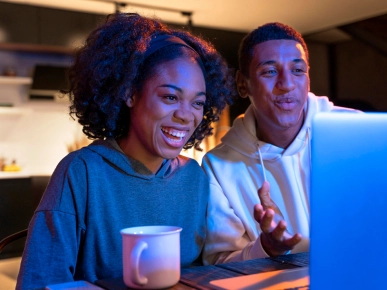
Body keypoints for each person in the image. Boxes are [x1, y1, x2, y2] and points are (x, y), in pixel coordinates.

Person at [17, 12, 234, 289]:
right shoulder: (82, 173)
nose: (186, 115)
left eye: (197, 103)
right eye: (170, 97)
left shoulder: (195, 178)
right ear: (129, 93)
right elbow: (39, 282)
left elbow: (206, 275)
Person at [202, 22, 359, 265]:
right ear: (243, 84)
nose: (287, 84)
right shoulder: (219, 166)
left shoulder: (354, 130)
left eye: (298, 70)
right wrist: (265, 248)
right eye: (269, 72)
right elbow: (220, 263)